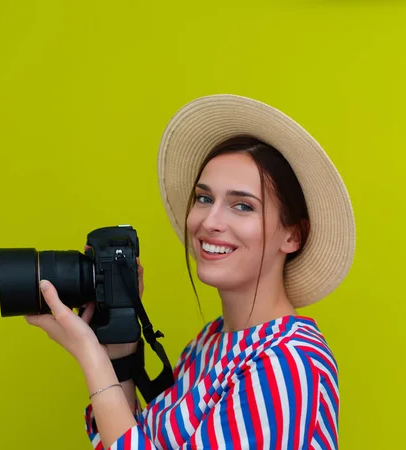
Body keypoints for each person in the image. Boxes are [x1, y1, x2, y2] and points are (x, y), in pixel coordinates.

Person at [24, 94, 356, 449]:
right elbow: (129, 439)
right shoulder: (210, 342)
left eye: (242, 206)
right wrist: (118, 354)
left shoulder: (287, 366)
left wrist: (90, 357)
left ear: (292, 235)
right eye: (204, 198)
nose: (209, 222)